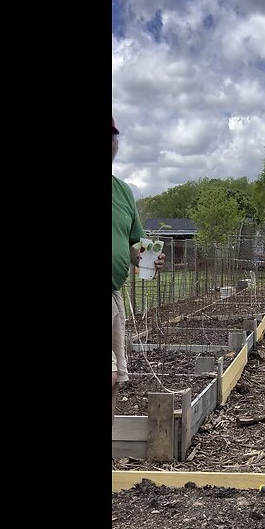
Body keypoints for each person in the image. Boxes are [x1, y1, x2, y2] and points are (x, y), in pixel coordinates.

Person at [113, 115, 164, 426]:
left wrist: (148, 260)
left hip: (113, 295)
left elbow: (134, 244)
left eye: (113, 135)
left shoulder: (121, 192)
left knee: (114, 375)